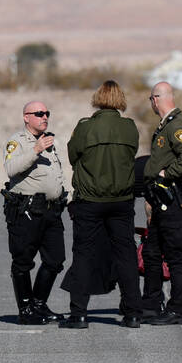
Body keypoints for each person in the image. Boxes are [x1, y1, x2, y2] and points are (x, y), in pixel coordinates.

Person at [59, 80, 141, 329]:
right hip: (122, 201)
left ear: (97, 98)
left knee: (84, 255)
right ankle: (132, 313)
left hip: (90, 201)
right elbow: (132, 155)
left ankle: (79, 314)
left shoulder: (85, 127)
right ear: (120, 100)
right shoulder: (129, 128)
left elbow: (73, 156)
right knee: (126, 255)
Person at [141, 82, 182, 325]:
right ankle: (152, 304)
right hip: (160, 198)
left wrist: (169, 174)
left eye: (151, 99)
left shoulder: (177, 125)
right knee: (152, 251)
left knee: (174, 255)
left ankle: (177, 309)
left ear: (156, 99)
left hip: (172, 198)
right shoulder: (167, 124)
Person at [1, 100, 67, 324]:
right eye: (39, 113)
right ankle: (26, 309)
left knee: (56, 259)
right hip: (27, 210)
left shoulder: (48, 140)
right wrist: (35, 150)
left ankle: (39, 304)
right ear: (26, 117)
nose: (44, 117)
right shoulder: (18, 141)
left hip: (51, 211)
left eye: (47, 113)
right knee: (22, 260)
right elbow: (11, 168)